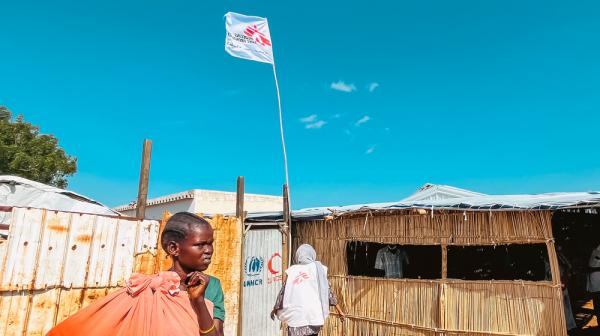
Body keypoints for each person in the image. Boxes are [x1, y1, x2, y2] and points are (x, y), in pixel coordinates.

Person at [47, 212, 218, 336]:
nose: (209, 250)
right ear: (174, 248)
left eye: (210, 244)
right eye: (200, 244)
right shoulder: (143, 290)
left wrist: (199, 302)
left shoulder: (210, 287)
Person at [270, 244, 346, 336]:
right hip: (314, 315)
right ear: (312, 254)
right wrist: (340, 311)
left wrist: (275, 309)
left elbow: (282, 293)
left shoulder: (293, 271)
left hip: (296, 318)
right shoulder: (319, 269)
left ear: (298, 256)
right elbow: (329, 293)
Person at [587, 243, 600, 325]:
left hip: (595, 282)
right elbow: (590, 267)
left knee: (597, 303)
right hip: (596, 282)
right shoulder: (596, 253)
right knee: (597, 303)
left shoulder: (595, 252)